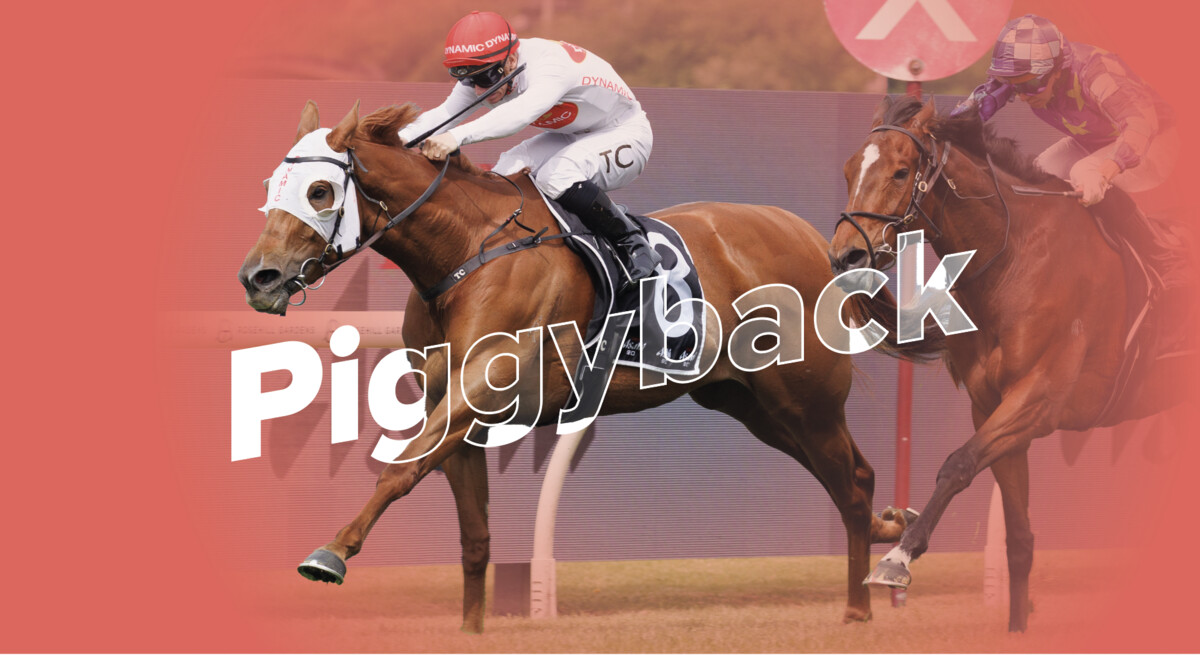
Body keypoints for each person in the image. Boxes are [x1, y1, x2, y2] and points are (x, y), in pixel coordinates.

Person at [398, 10, 661, 287]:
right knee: (503, 173)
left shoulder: (549, 65)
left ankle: (632, 242)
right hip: (573, 135)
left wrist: (456, 136)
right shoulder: (485, 69)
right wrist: (396, 139)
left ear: (511, 59)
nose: (478, 91)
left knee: (556, 175)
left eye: (485, 78)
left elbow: (519, 115)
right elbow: (444, 115)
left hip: (625, 132)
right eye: (469, 80)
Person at [954, 14, 1185, 301]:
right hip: (1097, 141)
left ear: (1057, 70)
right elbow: (968, 112)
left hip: (1154, 141)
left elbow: (1140, 126)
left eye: (1029, 85)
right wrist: (932, 129)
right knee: (1038, 174)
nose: (1022, 95)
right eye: (1014, 85)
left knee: (1084, 172)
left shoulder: (1095, 72)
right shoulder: (1024, 76)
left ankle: (1163, 256)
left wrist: (1107, 171)